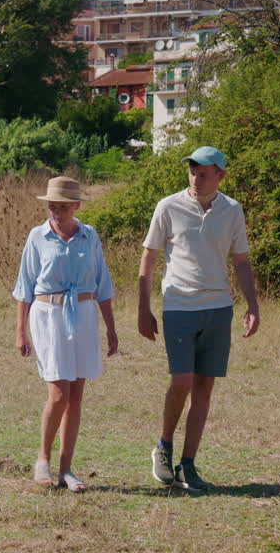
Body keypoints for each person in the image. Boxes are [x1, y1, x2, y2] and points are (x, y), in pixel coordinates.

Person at [138, 146, 259, 491]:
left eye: (204, 172)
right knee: (182, 381)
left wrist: (252, 305)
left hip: (218, 308)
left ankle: (187, 465)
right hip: (178, 306)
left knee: (205, 386)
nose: (196, 178)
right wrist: (143, 308)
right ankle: (163, 446)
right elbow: (148, 257)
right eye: (192, 171)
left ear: (220, 175)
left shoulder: (232, 210)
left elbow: (241, 261)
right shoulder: (169, 206)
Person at [13, 176, 118, 492]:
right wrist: (20, 331)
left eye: (62, 206)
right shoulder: (38, 236)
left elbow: (102, 283)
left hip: (84, 316)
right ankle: (42, 459)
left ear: (76, 205)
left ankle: (67, 469)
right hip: (48, 316)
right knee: (58, 393)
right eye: (52, 206)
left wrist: (111, 328)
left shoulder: (89, 236)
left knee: (76, 396)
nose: (56, 212)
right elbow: (25, 285)